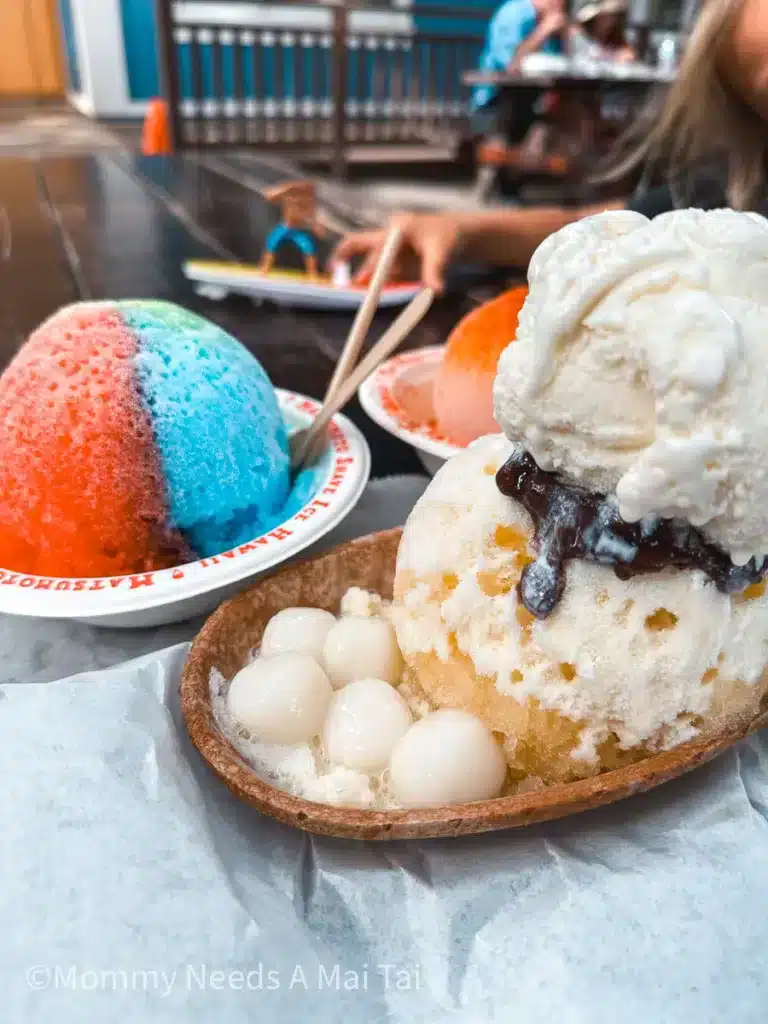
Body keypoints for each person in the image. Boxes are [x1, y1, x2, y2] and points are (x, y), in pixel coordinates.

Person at [332, 0, 765, 292]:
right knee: (560, 129)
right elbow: (606, 224)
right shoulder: (739, 192)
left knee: (573, 127)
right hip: (497, 104)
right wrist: (459, 230)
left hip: (534, 103)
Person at [472, 0, 568, 146]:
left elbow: (563, 64)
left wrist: (567, 36)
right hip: (497, 107)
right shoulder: (515, 13)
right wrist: (543, 31)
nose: (563, 6)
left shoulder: (547, 21)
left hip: (533, 104)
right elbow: (512, 66)